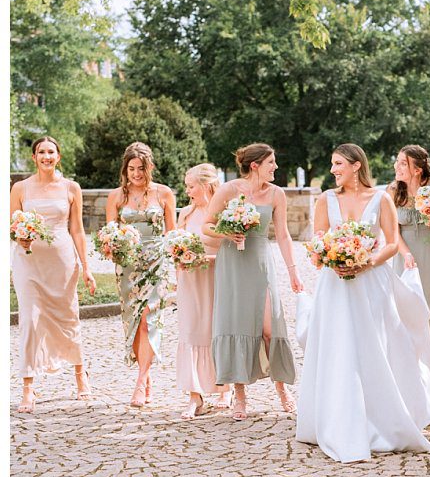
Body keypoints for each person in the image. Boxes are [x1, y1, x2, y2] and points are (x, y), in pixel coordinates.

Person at [296, 143, 430, 463]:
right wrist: (332, 258)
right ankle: (336, 417)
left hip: (372, 282)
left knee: (377, 346)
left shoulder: (380, 198)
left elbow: (390, 243)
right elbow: (318, 239)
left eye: (338, 164)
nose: (333, 170)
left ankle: (380, 418)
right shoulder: (325, 199)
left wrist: (365, 262)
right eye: (332, 164)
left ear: (356, 165)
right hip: (335, 285)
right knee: (339, 346)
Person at [205, 143, 304, 420]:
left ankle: (282, 388)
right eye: (271, 163)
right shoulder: (229, 190)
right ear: (255, 165)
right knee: (237, 324)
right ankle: (239, 395)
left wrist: (293, 270)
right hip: (233, 264)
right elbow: (206, 225)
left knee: (270, 329)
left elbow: (283, 235)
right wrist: (227, 234)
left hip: (261, 264)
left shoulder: (276, 194)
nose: (275, 167)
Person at [10, 136, 94, 412]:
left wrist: (87, 267)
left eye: (51, 152)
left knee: (68, 317)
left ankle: (81, 375)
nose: (46, 156)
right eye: (41, 152)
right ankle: (28, 387)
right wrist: (18, 237)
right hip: (28, 262)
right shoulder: (20, 188)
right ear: (34, 157)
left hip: (62, 261)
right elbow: (10, 225)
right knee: (30, 320)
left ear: (58, 157)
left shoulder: (71, 188)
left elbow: (78, 230)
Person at [104, 141, 176, 407]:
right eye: (132, 168)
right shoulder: (116, 197)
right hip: (128, 266)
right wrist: (111, 247)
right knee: (134, 324)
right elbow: (109, 234)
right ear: (125, 169)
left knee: (149, 319)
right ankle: (145, 378)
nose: (136, 173)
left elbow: (172, 233)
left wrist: (175, 261)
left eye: (141, 168)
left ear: (150, 168)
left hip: (156, 263)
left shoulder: (164, 193)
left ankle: (140, 380)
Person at [388, 145, 430, 391]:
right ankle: (406, 383)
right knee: (403, 319)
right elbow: (392, 230)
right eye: (397, 162)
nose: (396, 167)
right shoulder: (394, 190)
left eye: (402, 163)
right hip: (404, 258)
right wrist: (405, 253)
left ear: (417, 169)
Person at [176, 163, 229, 418]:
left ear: (206, 186)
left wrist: (205, 260)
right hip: (189, 282)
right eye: (187, 186)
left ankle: (225, 387)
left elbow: (232, 254)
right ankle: (194, 396)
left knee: (217, 330)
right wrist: (179, 257)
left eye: (191, 186)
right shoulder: (185, 214)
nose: (188, 192)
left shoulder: (223, 213)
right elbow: (176, 243)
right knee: (190, 332)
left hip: (215, 278)